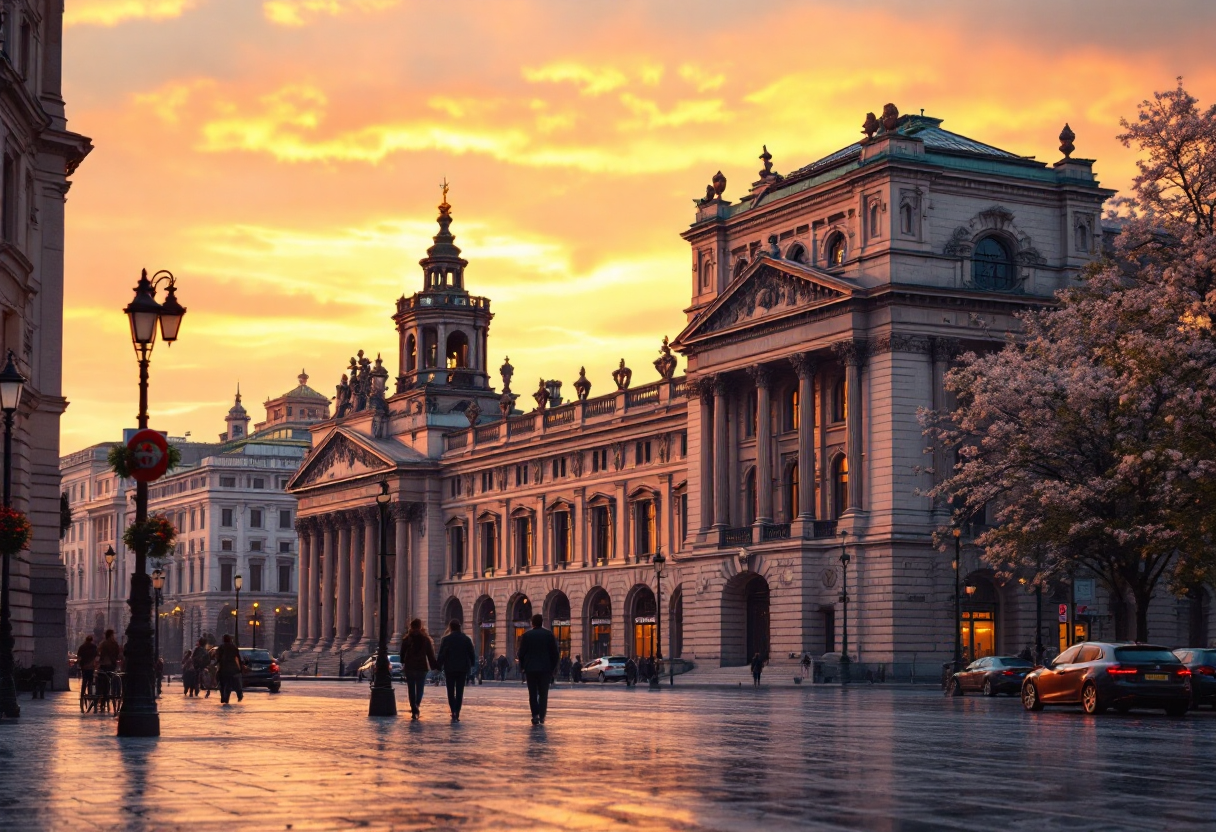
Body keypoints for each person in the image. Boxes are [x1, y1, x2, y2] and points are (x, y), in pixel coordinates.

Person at [517, 613, 560, 725]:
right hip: (546, 669)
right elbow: (555, 653)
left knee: (532, 693)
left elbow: (521, 653)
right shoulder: (549, 635)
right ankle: (542, 716)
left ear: (532, 623)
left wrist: (522, 666)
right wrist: (553, 668)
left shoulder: (527, 635)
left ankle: (535, 715)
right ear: (542, 622)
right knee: (543, 693)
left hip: (530, 669)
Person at [436, 619, 477, 721]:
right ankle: (457, 712)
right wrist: (471, 664)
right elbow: (471, 653)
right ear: (460, 627)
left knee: (450, 691)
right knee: (459, 691)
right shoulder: (466, 639)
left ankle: (453, 710)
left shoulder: (446, 639)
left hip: (449, 668)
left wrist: (438, 665)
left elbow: (442, 654)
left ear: (450, 627)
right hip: (462, 669)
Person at [399, 618, 437, 720]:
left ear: (411, 627)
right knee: (420, 689)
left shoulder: (406, 639)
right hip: (421, 667)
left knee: (411, 689)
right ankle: (417, 705)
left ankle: (413, 708)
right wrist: (434, 666)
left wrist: (403, 661)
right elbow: (430, 654)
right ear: (420, 627)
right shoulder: (425, 639)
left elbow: (402, 654)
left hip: (410, 667)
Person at [214, 634, 244, 705]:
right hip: (232, 669)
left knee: (222, 683)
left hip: (223, 669)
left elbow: (218, 657)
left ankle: (223, 697)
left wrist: (215, 663)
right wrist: (240, 667)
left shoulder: (221, 647)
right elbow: (238, 658)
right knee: (233, 683)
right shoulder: (233, 647)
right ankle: (237, 695)